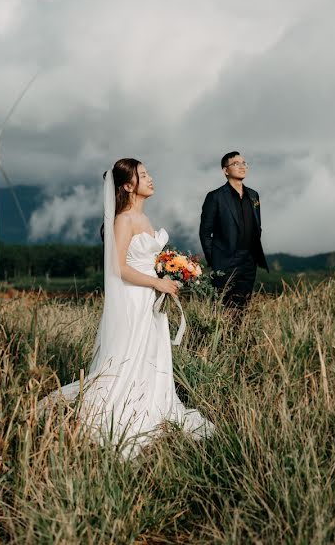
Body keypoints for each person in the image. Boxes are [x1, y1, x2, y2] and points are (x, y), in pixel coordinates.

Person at [37, 158, 215, 458]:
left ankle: (154, 403)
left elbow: (148, 262)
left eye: (148, 173)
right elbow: (118, 268)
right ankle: (122, 412)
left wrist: (170, 274)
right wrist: (157, 283)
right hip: (134, 297)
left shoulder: (144, 219)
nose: (150, 178)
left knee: (151, 353)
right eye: (143, 175)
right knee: (129, 354)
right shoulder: (123, 220)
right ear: (128, 185)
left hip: (148, 297)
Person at [199, 151, 268, 311]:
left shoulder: (253, 195)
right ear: (225, 170)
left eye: (244, 163)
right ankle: (220, 336)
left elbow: (257, 226)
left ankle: (238, 336)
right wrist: (214, 259)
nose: (242, 166)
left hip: (249, 260)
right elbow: (205, 232)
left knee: (243, 305)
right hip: (225, 260)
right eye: (236, 163)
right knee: (222, 306)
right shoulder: (215, 197)